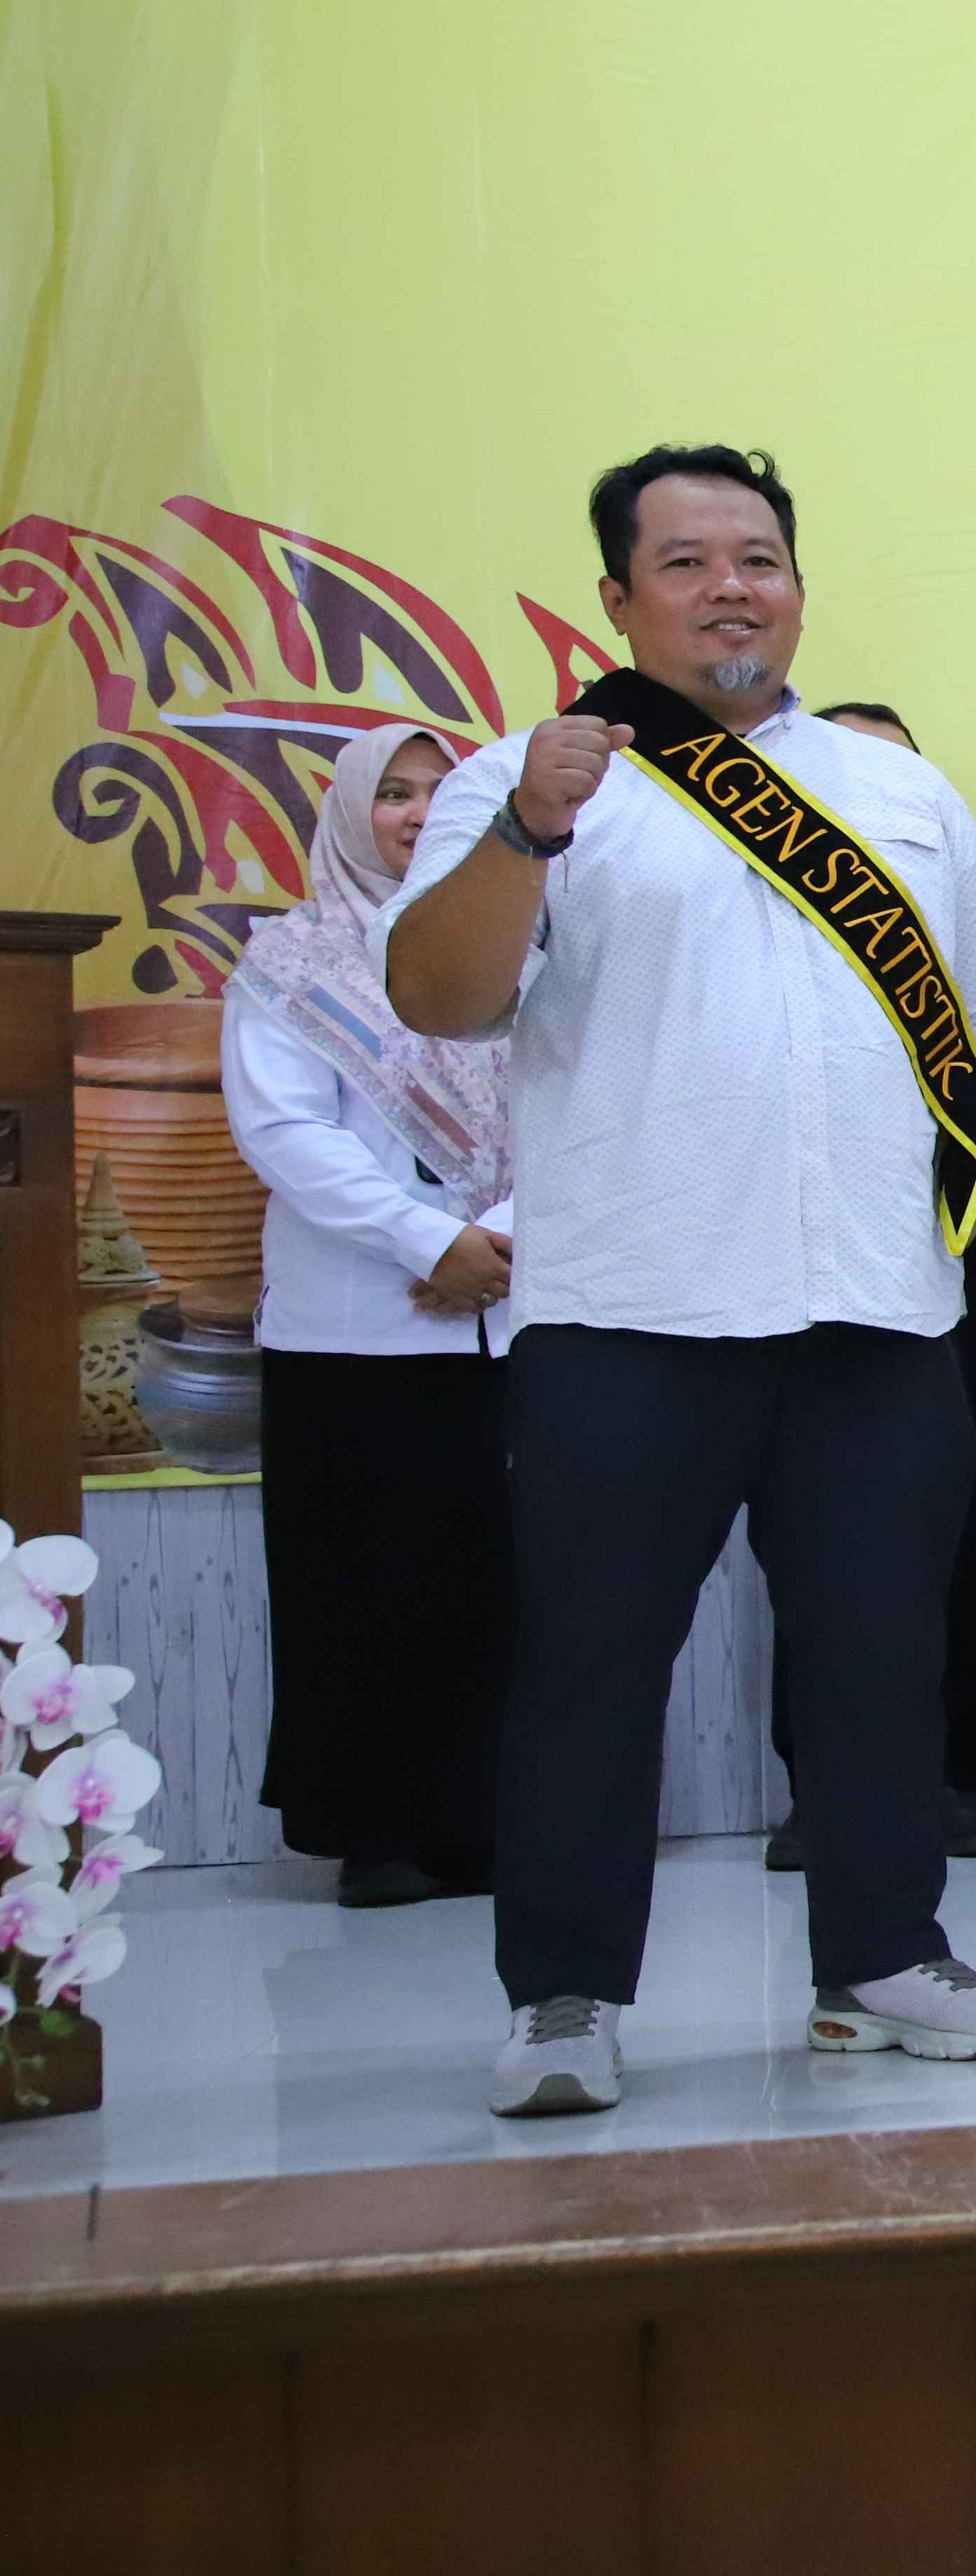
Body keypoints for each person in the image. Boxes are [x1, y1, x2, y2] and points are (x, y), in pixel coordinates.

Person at [385, 444, 976, 2116]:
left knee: (879, 1654)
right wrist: (529, 827)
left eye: (757, 557)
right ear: (619, 601)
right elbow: (439, 997)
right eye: (685, 563)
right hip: (633, 1308)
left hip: (875, 1305)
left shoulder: (896, 789)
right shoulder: (536, 778)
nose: (729, 588)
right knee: (592, 1664)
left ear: (799, 589)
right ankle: (562, 1995)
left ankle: (883, 1957)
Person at [226, 724, 517, 1909]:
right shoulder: (291, 961)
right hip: (354, 1329)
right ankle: (377, 1836)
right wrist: (427, 1240)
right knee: (361, 1586)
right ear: (352, 813)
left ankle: (489, 1824)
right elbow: (285, 1131)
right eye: (393, 794)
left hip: (512, 1318)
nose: (417, 815)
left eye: (441, 794)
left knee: (499, 1584)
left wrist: (501, 1239)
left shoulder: (517, 945)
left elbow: (575, 1108)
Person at [788, 697, 976, 1863]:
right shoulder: (770, 925)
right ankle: (816, 1790)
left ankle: (961, 1777)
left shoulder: (954, 915)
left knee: (959, 1528)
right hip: (785, 1259)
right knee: (808, 1552)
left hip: (946, 1250)